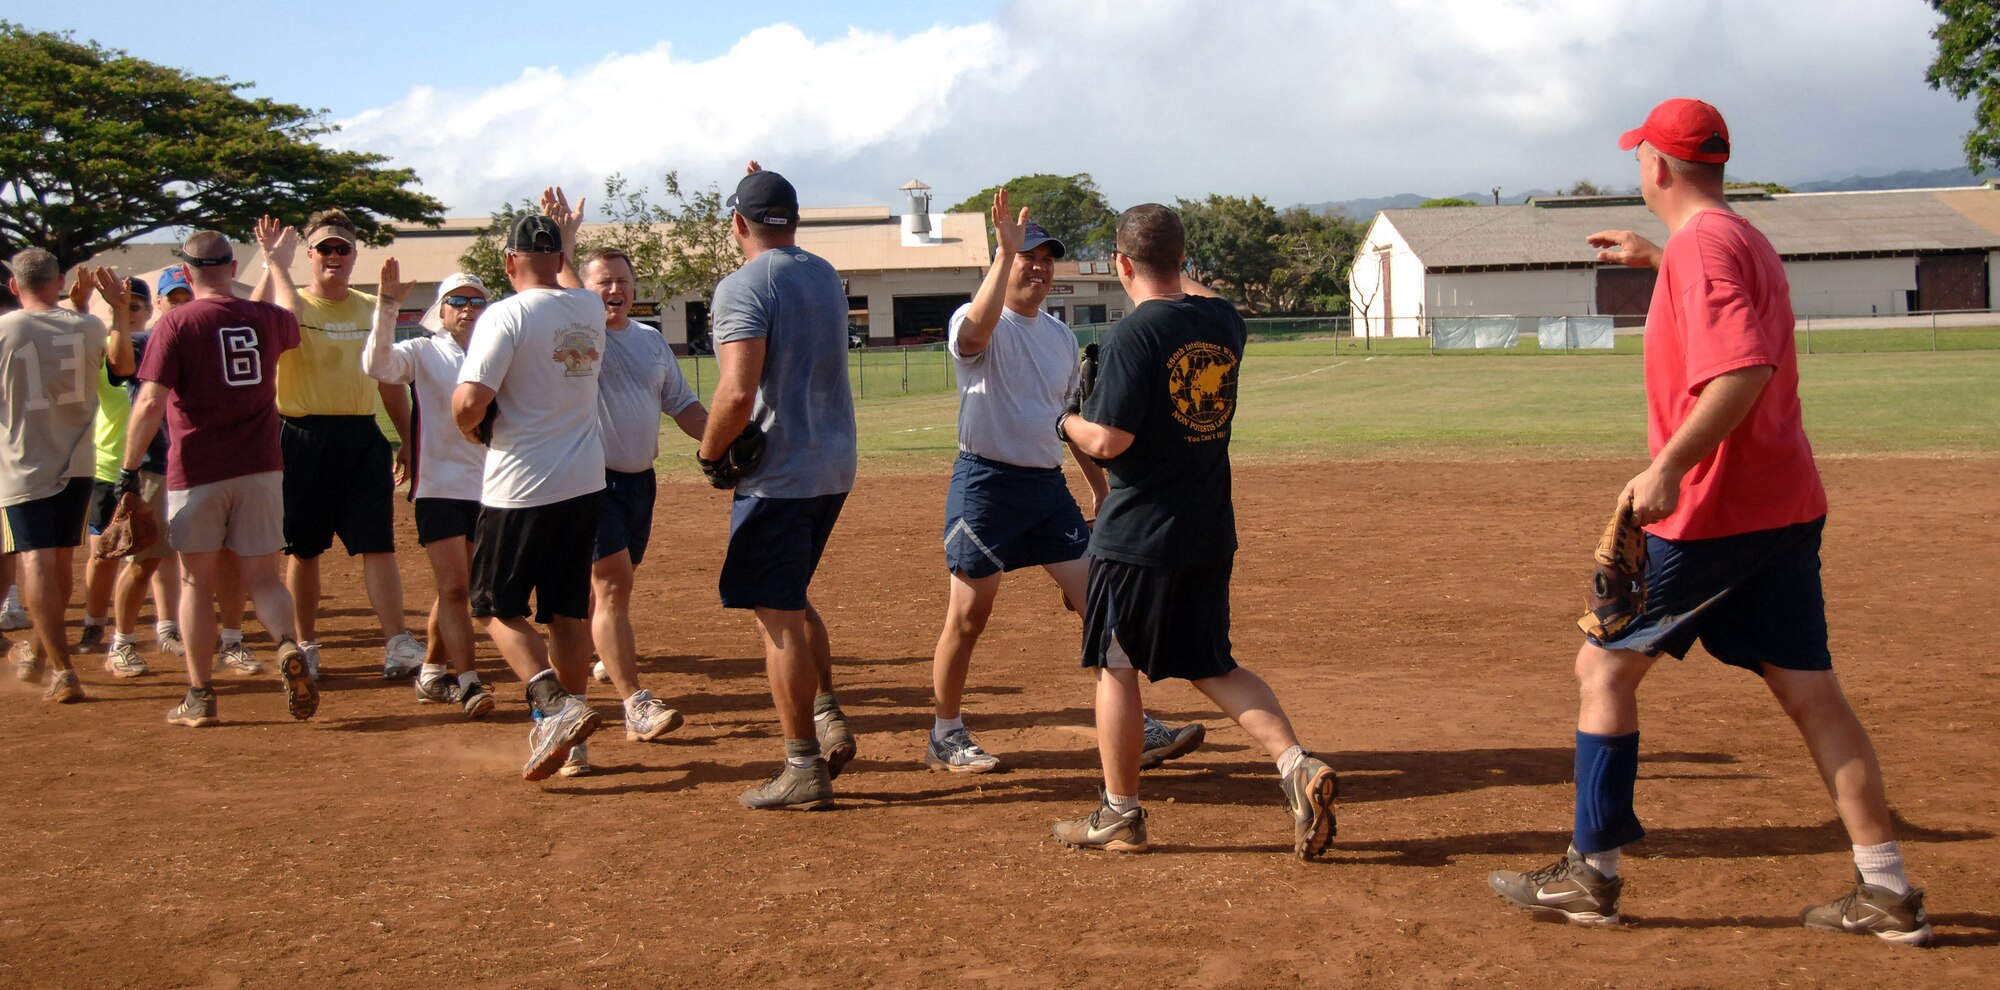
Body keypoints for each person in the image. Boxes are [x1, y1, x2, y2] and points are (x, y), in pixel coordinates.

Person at [1487, 98, 1932, 946]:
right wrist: (1661, 261)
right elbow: (1734, 317)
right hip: (1783, 506)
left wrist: (1668, 467)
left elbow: (1744, 367)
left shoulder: (1706, 247)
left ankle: (1592, 875)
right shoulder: (1735, 239)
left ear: (1657, 165)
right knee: (1811, 693)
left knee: (1604, 669)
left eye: (1639, 157)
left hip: (1712, 517)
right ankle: (1886, 890)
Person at [1051, 204, 1339, 856]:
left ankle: (1120, 814)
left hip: (1140, 535)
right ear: (1183, 262)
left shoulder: (1133, 336)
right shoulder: (1221, 322)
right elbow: (1205, 296)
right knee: (1212, 663)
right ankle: (1297, 766)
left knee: (1114, 668)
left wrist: (1067, 418)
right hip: (1209, 528)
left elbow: (1110, 439)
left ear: (1120, 265)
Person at [926, 189, 1204, 774]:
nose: (1039, 266)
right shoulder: (978, 318)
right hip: (985, 485)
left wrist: (1100, 491)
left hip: (1047, 491)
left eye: (1047, 257)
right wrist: (1003, 255)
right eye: (1028, 256)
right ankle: (945, 731)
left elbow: (1074, 420)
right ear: (1001, 261)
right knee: (969, 616)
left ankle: (1140, 726)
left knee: (1098, 603)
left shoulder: (1058, 336)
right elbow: (972, 339)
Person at [699, 163, 859, 811]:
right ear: (794, 220)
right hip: (832, 465)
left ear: (737, 224)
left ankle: (802, 766)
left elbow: (737, 392)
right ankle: (827, 715)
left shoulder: (742, 286)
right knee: (788, 600)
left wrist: (711, 454)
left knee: (777, 621)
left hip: (780, 474)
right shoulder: (821, 273)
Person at [124, 223, 315, 726]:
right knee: (265, 578)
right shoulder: (265, 316)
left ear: (187, 272)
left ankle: (200, 694)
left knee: (194, 583)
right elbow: (293, 315)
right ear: (233, 269)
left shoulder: (177, 322)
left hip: (198, 469)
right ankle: (287, 645)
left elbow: (148, 402)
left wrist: (127, 470)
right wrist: (277, 264)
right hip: (260, 467)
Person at [544, 196, 702, 775]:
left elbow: (681, 403)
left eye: (624, 282)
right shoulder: (583, 335)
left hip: (639, 485)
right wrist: (565, 244)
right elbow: (569, 296)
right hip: (589, 480)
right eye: (604, 281)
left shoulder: (650, 340)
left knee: (594, 601)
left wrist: (723, 444)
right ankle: (633, 703)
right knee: (611, 585)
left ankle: (566, 722)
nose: (615, 290)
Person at [451, 212, 607, 782]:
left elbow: (470, 402)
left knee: (494, 606)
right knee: (567, 611)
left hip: (519, 485)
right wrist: (567, 241)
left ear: (508, 262)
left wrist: (469, 428)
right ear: (558, 258)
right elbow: (568, 284)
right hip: (584, 480)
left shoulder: (504, 314)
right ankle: (572, 747)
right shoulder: (589, 307)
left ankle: (555, 704)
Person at [252, 209, 424, 681]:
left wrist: (405, 439)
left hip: (360, 438)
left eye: (342, 249)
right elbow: (255, 319)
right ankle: (305, 645)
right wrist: (272, 264)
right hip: (300, 437)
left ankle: (397, 644)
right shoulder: (291, 305)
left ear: (353, 256)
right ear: (308, 255)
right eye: (324, 248)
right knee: (303, 549)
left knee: (379, 545)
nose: (333, 256)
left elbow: (389, 379)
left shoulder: (373, 306)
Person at [361, 263, 497, 720]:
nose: (467, 309)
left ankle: (431, 671)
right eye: (456, 301)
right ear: (440, 312)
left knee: (457, 588)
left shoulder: (499, 352)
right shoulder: (421, 351)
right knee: (457, 587)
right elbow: (377, 366)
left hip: (491, 487)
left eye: (477, 300)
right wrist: (386, 307)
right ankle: (469, 682)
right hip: (438, 486)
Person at [1, 252, 128, 702]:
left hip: (23, 462)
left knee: (33, 558)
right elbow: (115, 364)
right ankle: (40, 652)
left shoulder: (5, 328)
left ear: (14, 287)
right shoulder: (90, 325)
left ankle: (62, 669)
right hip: (79, 460)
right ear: (59, 280)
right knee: (59, 559)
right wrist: (90, 306)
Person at [77, 275, 148, 660]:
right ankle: (92, 623)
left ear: (148, 311)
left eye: (135, 306)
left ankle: (141, 631)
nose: (129, 312)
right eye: (121, 306)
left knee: (147, 558)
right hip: (108, 466)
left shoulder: (158, 347)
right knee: (104, 555)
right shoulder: (102, 351)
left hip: (152, 466)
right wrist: (80, 306)